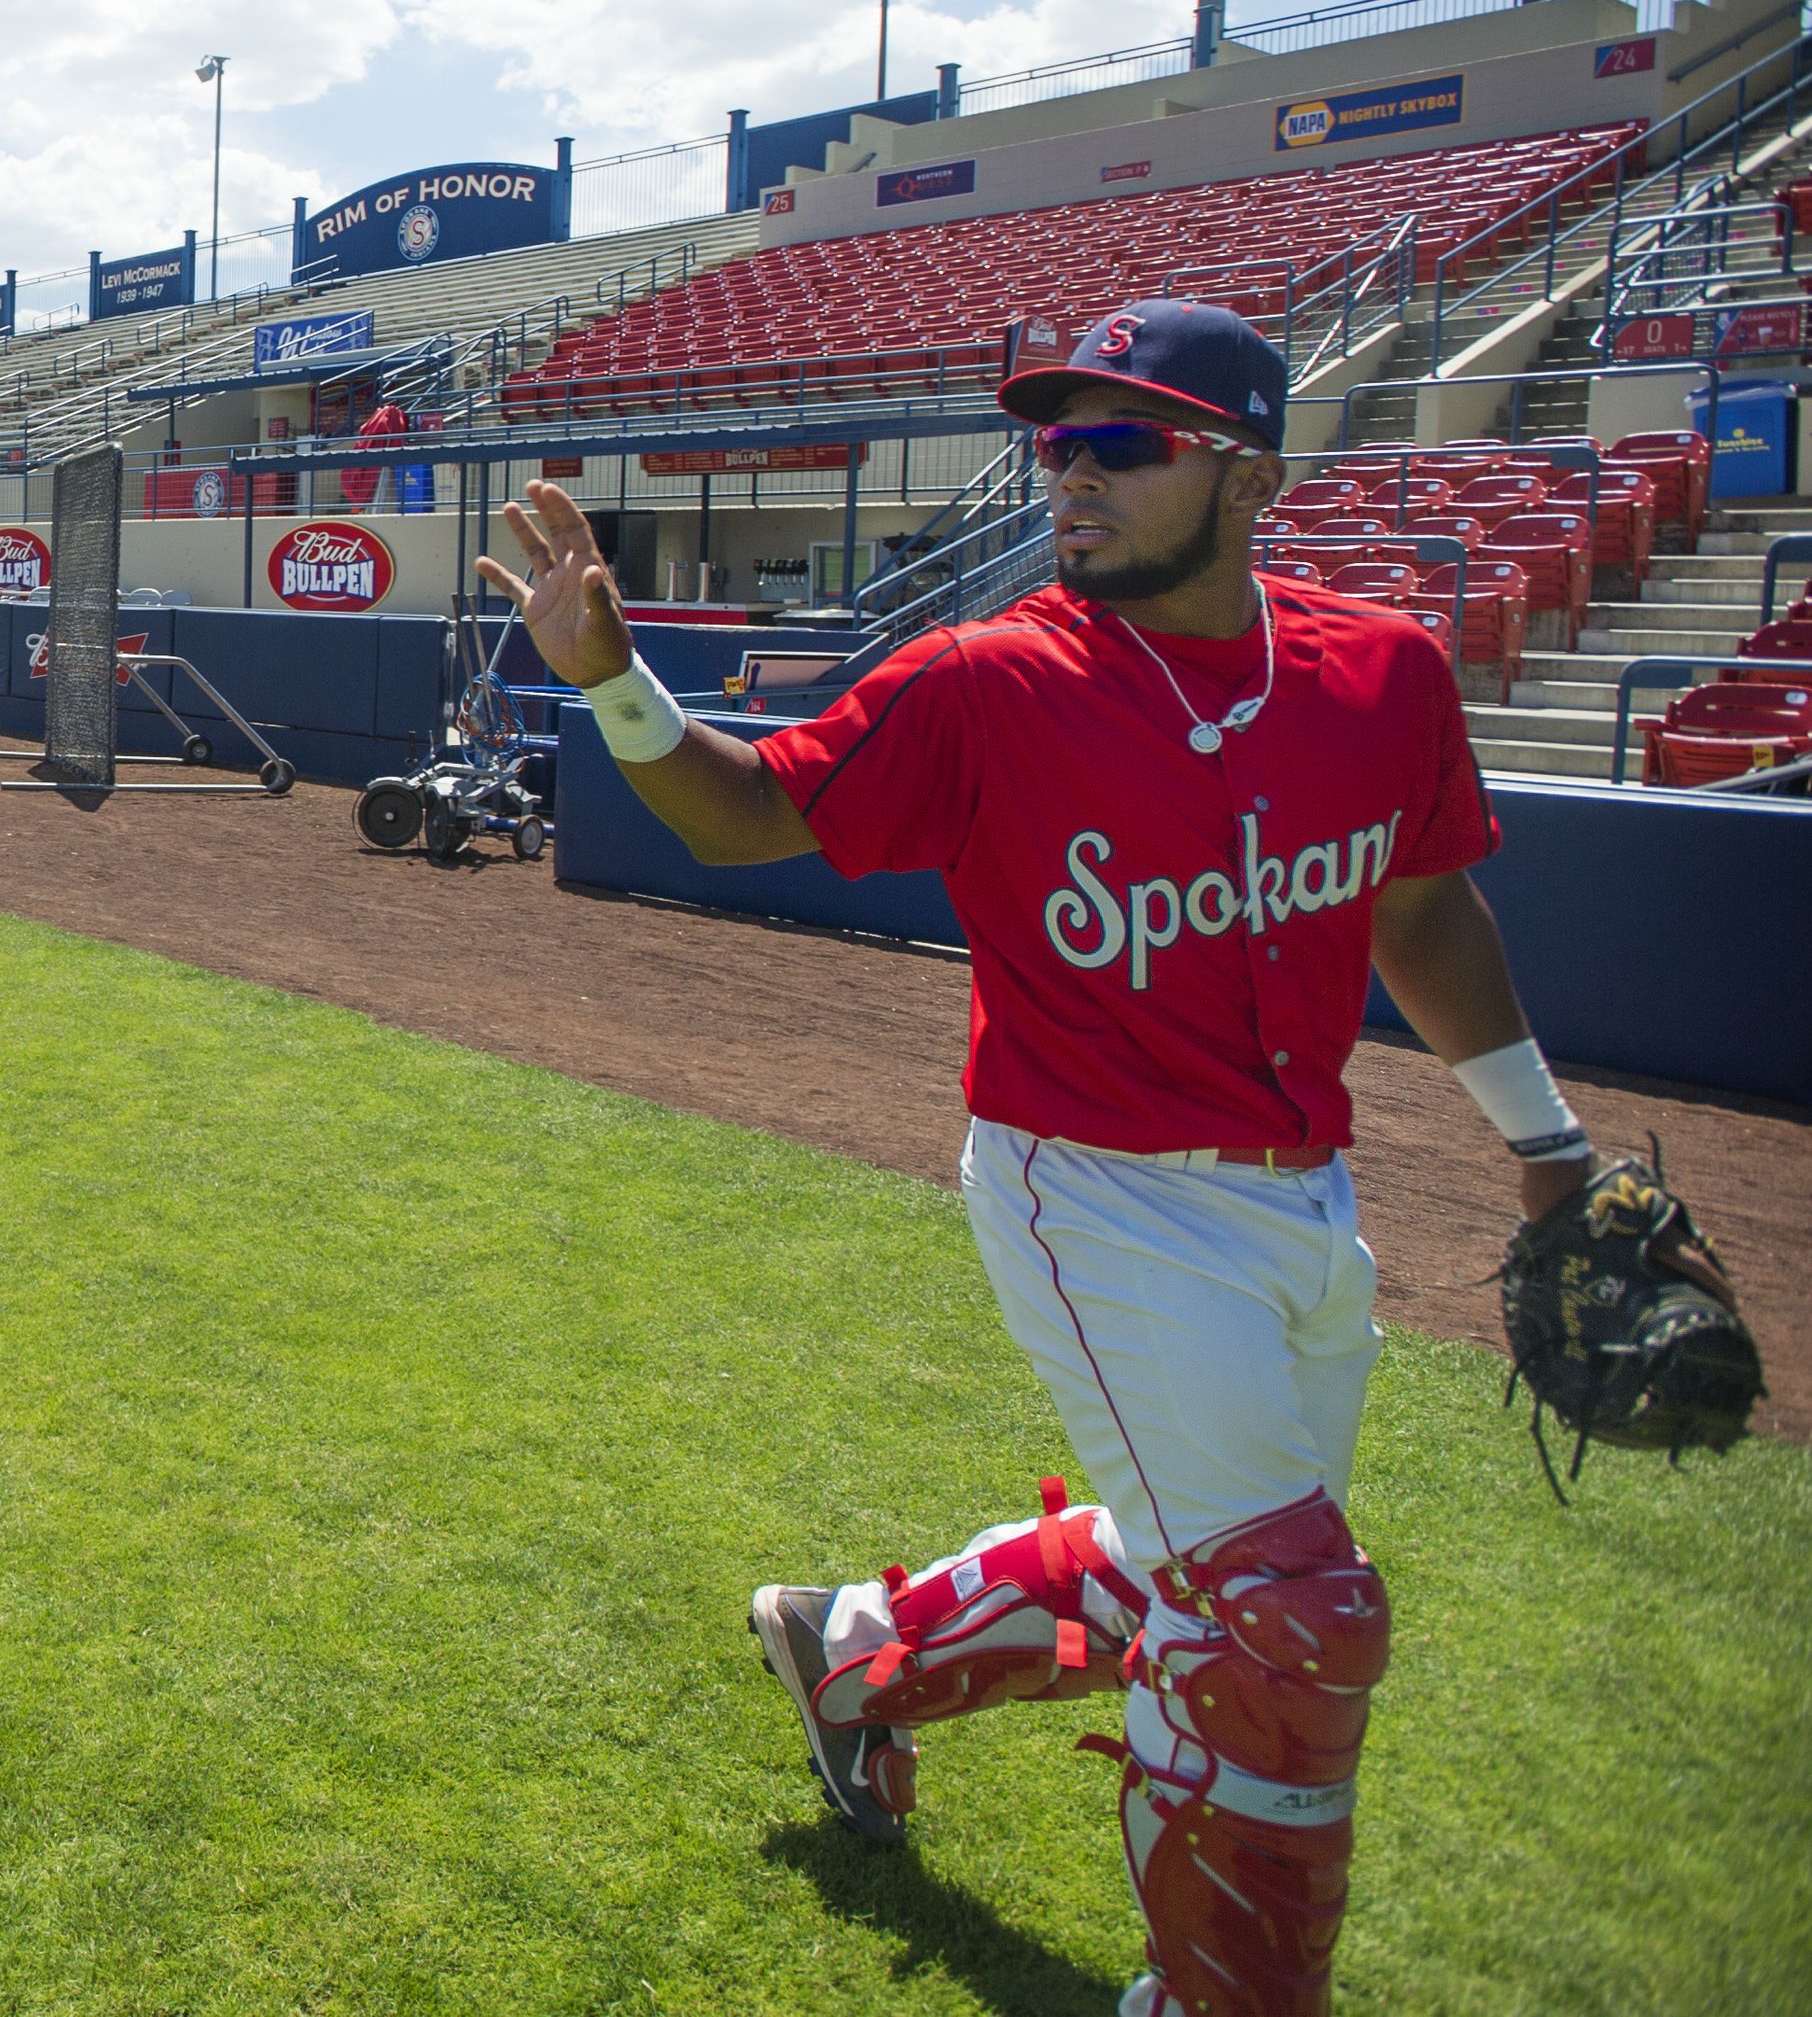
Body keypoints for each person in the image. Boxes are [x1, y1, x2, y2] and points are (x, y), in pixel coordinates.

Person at [478, 300, 1601, 2017]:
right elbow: (741, 810)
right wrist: (615, 682)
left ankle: (843, 1649)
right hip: (1093, 1192)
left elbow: (1425, 906)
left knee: (1179, 1568)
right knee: (1286, 1614)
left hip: (1307, 1202)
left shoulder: (1384, 675)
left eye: (1122, 443)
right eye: (1054, 443)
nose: (1069, 477)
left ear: (1247, 472)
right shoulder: (992, 681)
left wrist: (1546, 1148)